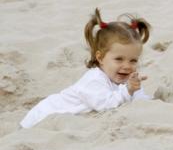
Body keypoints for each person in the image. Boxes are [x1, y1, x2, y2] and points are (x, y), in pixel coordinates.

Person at [20, 8, 151, 128]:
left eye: (133, 60)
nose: (127, 66)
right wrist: (128, 90)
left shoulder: (127, 79)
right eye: (119, 59)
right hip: (41, 117)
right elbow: (106, 105)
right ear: (100, 58)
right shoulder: (93, 80)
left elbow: (138, 98)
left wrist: (139, 94)